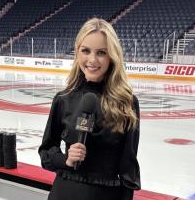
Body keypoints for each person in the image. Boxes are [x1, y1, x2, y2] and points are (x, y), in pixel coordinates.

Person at [38, 18, 140, 200]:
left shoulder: (127, 103)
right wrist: (66, 159)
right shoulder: (63, 99)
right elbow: (46, 151)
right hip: (65, 191)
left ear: (112, 56)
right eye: (86, 51)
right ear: (77, 52)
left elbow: (128, 167)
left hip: (106, 195)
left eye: (101, 53)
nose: (92, 60)